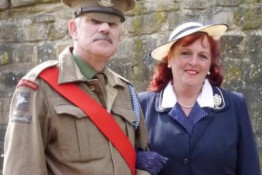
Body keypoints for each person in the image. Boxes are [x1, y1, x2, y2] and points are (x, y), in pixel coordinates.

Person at [3, 0, 167, 174]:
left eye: (112, 23)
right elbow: (21, 168)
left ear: (120, 35)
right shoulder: (40, 88)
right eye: (94, 21)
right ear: (74, 29)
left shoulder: (126, 91)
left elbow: (139, 159)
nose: (105, 28)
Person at [138, 22, 261, 175]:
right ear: (169, 59)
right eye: (185, 53)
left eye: (202, 56)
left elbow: (250, 168)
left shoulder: (235, 105)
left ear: (210, 64)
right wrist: (136, 157)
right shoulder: (143, 105)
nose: (194, 62)